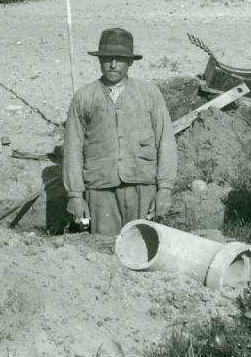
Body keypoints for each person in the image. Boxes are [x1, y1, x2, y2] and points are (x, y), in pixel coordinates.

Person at [63, 28, 177, 236]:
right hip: (100, 189)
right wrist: (75, 195)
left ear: (131, 62)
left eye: (120, 59)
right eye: (108, 58)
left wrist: (165, 189)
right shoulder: (84, 97)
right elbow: (72, 148)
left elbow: (166, 142)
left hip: (142, 186)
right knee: (105, 251)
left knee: (143, 247)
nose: (113, 65)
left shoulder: (149, 94)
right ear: (99, 60)